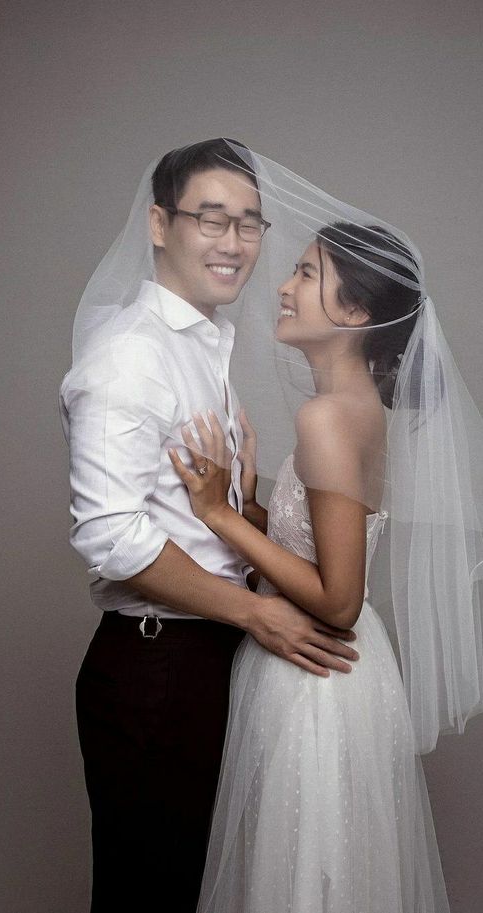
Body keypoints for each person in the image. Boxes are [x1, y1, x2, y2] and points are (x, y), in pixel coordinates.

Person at [169, 144, 483, 912]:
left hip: (318, 674)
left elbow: (335, 596)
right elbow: (319, 546)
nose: (284, 286)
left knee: (305, 879)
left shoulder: (329, 416)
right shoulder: (358, 411)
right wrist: (251, 504)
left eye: (306, 274)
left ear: (359, 312)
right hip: (339, 672)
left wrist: (218, 514)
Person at [59, 139, 359, 913]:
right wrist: (256, 610)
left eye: (250, 225)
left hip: (214, 658)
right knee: (151, 891)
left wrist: (244, 504)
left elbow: (195, 515)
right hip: (158, 666)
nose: (234, 244)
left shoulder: (205, 344)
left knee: (206, 887)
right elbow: (111, 537)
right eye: (211, 220)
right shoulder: (129, 355)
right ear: (160, 223)